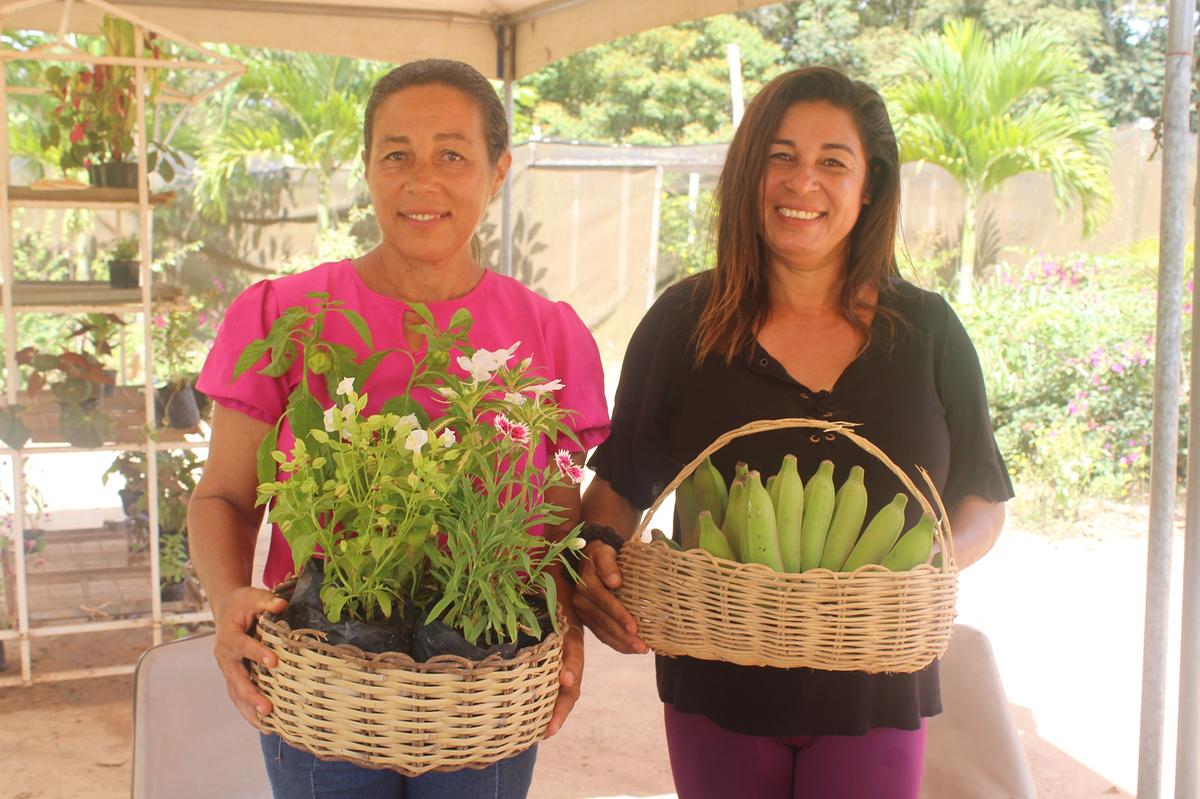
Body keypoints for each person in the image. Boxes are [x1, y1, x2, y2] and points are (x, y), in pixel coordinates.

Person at [572, 66, 1013, 799]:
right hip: (717, 680)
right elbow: (620, 485)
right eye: (780, 156)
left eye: (832, 162)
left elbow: (982, 502)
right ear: (749, 174)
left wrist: (922, 574)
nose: (801, 182)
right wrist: (602, 557)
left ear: (869, 186)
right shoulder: (685, 323)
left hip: (880, 684)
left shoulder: (930, 331)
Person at [188, 58, 609, 799]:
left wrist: (564, 626)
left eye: (452, 154)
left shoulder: (550, 333)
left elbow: (551, 523)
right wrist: (228, 600)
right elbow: (222, 494)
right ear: (367, 169)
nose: (423, 180)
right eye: (396, 155)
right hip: (324, 686)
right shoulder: (287, 317)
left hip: (483, 692)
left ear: (498, 170)